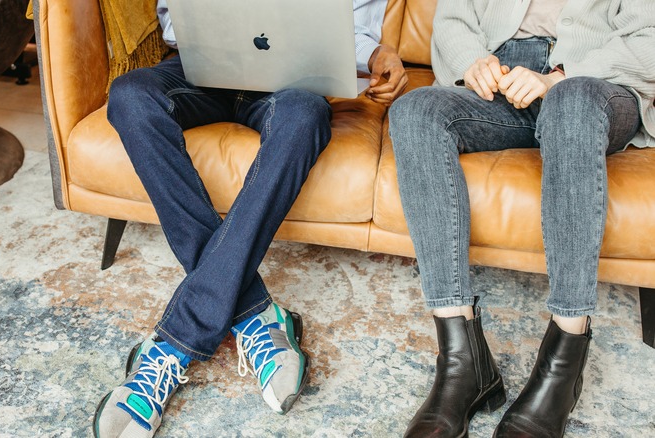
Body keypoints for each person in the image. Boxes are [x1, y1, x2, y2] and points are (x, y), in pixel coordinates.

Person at [94, 1, 407, 436]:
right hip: (203, 70)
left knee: (305, 116)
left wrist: (376, 56)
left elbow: (348, 26)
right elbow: (172, 16)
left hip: (291, 81)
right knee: (129, 96)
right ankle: (254, 314)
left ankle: (174, 344)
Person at [388, 0, 654, 436]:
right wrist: (472, 64)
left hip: (595, 83)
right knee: (415, 111)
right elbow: (453, 19)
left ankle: (563, 365)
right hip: (504, 83)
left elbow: (650, 39)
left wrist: (559, 76)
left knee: (572, 100)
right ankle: (463, 362)